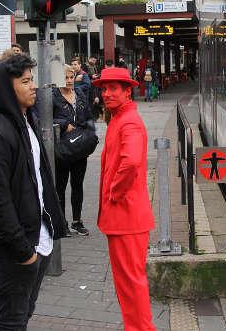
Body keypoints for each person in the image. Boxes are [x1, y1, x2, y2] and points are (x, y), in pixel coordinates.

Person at [0, 55, 65, 330]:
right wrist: (24, 252)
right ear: (5, 89)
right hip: (15, 250)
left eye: (31, 79)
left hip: (37, 241)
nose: (33, 86)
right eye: (25, 81)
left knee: (21, 316)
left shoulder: (23, 123)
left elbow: (37, 181)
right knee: (11, 321)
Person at [94, 67, 155, 331]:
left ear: (127, 91)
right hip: (126, 215)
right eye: (104, 89)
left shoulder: (127, 121)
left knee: (130, 281)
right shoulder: (122, 117)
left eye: (113, 89)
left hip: (126, 215)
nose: (106, 94)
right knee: (130, 281)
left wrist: (114, 193)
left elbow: (130, 163)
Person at [53, 65, 93, 236]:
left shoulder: (80, 93)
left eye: (71, 77)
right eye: (65, 78)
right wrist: (63, 124)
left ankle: (77, 221)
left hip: (79, 146)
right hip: (62, 148)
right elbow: (42, 117)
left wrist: (90, 133)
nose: (69, 81)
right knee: (60, 186)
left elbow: (89, 115)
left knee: (78, 185)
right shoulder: (53, 96)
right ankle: (62, 222)